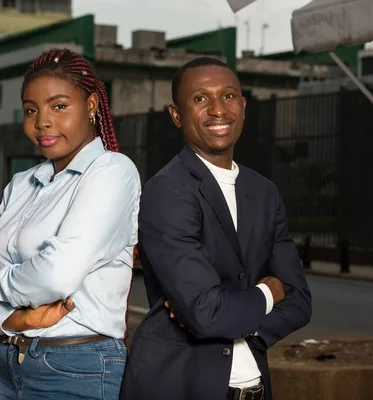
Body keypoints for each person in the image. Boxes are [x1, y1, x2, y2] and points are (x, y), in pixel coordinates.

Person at [0, 48, 141, 400]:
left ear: (91, 106)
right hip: (10, 364)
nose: (42, 121)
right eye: (31, 110)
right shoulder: (21, 184)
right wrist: (12, 320)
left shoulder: (112, 171)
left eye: (59, 106)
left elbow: (56, 276)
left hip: (76, 368)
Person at [119, 57, 312, 400]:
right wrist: (268, 293)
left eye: (228, 96)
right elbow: (206, 313)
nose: (218, 110)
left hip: (253, 388)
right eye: (200, 99)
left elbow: (299, 300)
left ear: (243, 106)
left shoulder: (263, 191)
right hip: (180, 386)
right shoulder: (168, 190)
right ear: (176, 114)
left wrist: (238, 319)